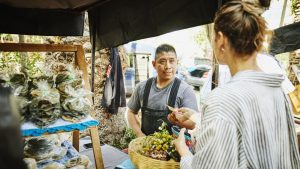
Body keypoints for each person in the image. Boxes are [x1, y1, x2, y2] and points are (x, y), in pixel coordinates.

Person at [172, 1, 300, 168]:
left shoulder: (222, 99)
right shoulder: (277, 92)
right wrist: (199, 119)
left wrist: (184, 152)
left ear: (221, 40)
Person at [127, 44, 199, 137]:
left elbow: (192, 124)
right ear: (154, 64)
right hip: (146, 147)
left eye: (172, 61)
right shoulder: (142, 87)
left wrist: (178, 121)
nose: (168, 66)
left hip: (176, 147)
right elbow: (131, 112)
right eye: (162, 61)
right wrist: (139, 134)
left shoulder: (185, 90)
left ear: (177, 63)